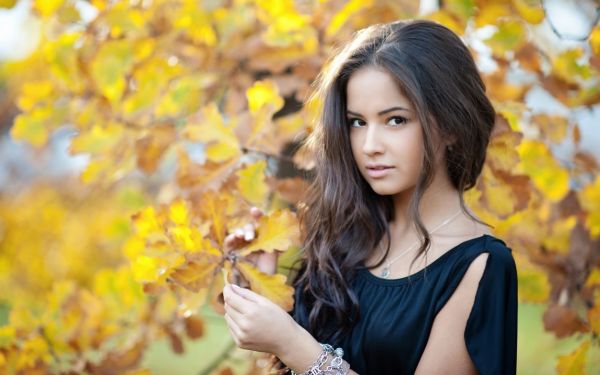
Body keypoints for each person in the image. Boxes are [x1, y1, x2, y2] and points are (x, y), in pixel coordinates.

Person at [221, 19, 518, 375]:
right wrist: (264, 292)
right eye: (356, 122)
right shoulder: (350, 236)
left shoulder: (479, 267)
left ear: (451, 125)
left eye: (395, 120)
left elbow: (306, 354)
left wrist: (292, 344)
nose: (370, 146)